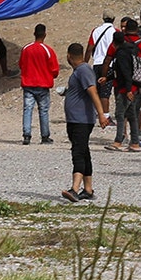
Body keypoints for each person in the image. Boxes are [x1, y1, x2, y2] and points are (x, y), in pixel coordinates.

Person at [61, 43, 110, 203]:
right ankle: (88, 189)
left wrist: (101, 114)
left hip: (81, 120)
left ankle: (74, 189)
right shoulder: (80, 71)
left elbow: (92, 91)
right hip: (76, 119)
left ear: (69, 56)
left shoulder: (83, 70)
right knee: (84, 151)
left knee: (78, 152)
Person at [102, 21, 141, 152]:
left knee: (120, 114)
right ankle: (135, 142)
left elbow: (124, 72)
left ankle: (118, 141)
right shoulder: (137, 47)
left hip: (126, 89)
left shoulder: (121, 53)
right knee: (133, 114)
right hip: (139, 86)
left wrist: (128, 90)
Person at [19, 24, 59, 146]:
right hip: (43, 85)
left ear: (34, 33)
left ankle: (27, 135)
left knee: (28, 110)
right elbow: (55, 70)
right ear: (44, 35)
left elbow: (21, 64)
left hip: (28, 84)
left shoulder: (26, 48)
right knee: (43, 110)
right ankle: (45, 136)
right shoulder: (48, 50)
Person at [86, 15, 117, 112]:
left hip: (97, 63)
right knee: (105, 92)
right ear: (113, 19)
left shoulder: (96, 31)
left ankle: (97, 113)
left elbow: (89, 48)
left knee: (97, 90)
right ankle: (105, 115)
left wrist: (84, 64)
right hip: (109, 64)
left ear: (103, 18)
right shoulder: (115, 31)